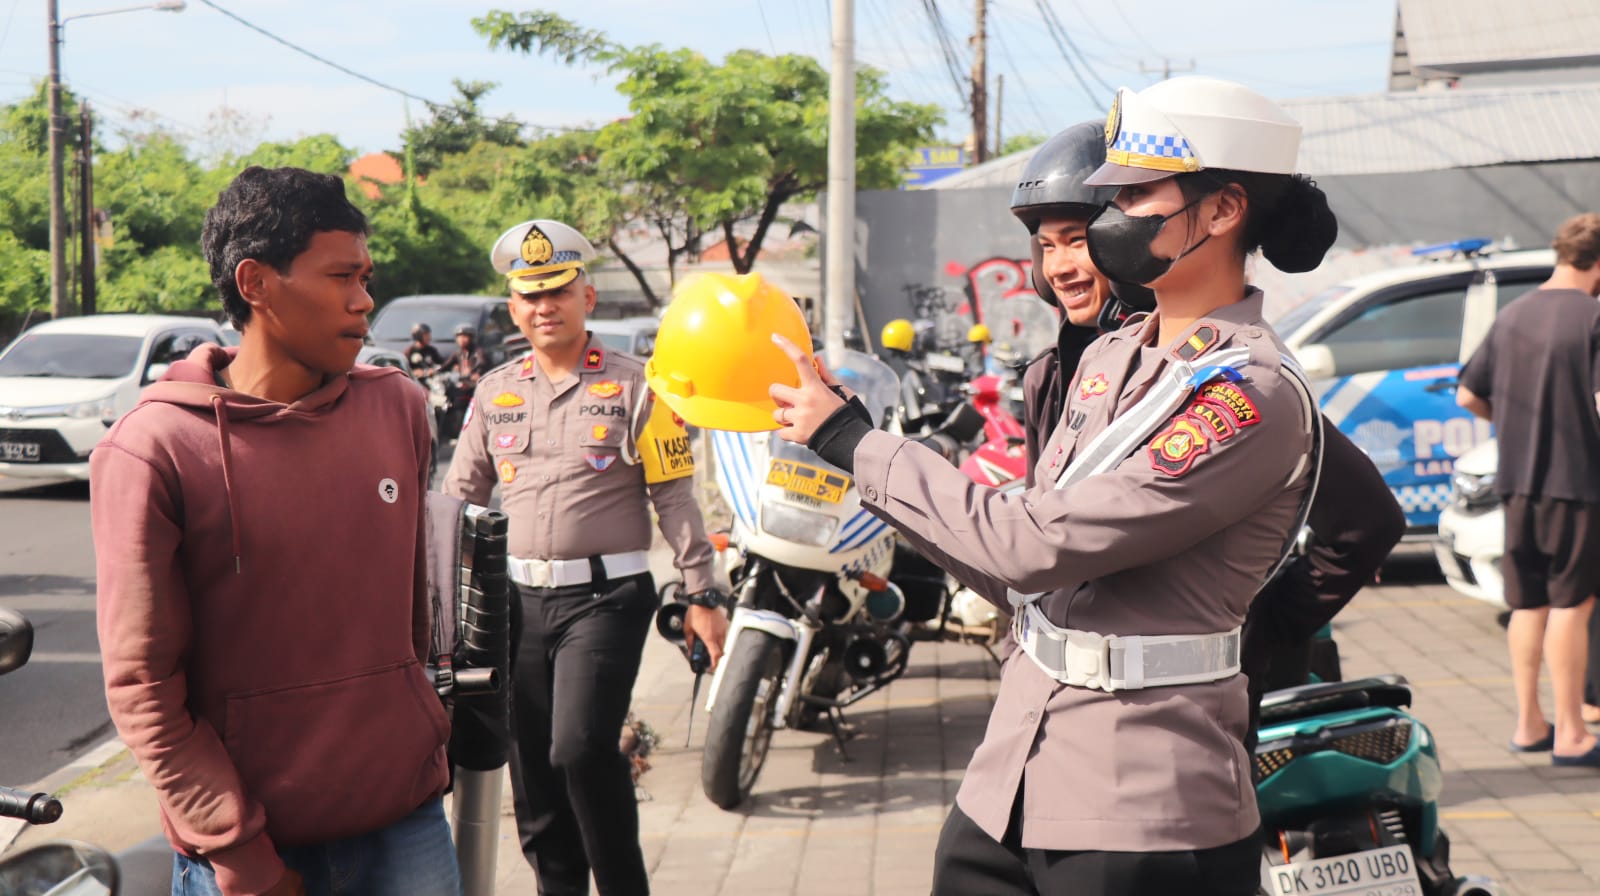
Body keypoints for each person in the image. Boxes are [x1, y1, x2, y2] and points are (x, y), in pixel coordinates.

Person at [744, 76, 1339, 894]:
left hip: (1141, 800)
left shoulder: (1248, 395)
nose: (1110, 221)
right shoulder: (1106, 358)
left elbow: (1031, 545)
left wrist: (853, 442)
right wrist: (878, 476)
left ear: (1224, 209)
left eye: (1135, 195)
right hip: (1012, 774)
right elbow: (1011, 568)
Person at [90, 166, 456, 896]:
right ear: (255, 282)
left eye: (367, 276)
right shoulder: (153, 447)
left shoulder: (399, 411)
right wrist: (239, 851)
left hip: (407, 826)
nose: (365, 301)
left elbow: (409, 625)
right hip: (252, 853)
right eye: (341, 277)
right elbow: (143, 686)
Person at [1009, 120, 1404, 742]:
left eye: (1080, 240)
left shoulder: (1208, 374)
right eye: (1045, 244)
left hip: (1191, 702)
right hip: (1076, 702)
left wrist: (1260, 625)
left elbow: (1366, 521)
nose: (1061, 267)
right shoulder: (1053, 376)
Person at [442, 218, 728, 896]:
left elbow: (676, 497)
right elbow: (457, 503)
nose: (546, 307)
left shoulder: (640, 387)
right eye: (530, 295)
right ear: (514, 307)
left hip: (607, 598)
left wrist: (703, 595)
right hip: (516, 604)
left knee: (579, 746)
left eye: (559, 292)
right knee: (534, 773)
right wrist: (435, 600)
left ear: (587, 297)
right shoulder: (493, 392)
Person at [1456, 211, 1600, 767]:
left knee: (1528, 603)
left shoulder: (1514, 315)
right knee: (1572, 604)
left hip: (1516, 482)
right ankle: (1571, 734)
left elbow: (1468, 396)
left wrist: (1512, 423)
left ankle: (1529, 724)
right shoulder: (1592, 318)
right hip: (1578, 481)